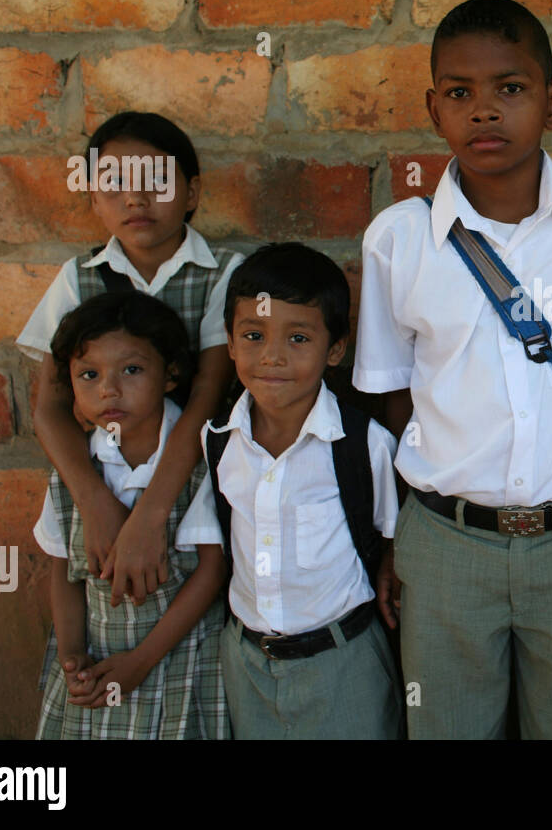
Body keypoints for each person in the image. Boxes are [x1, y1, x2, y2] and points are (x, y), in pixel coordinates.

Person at [354, 0, 552, 739]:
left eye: (510, 90)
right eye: (460, 93)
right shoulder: (400, 240)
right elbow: (392, 399)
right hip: (448, 542)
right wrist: (400, 538)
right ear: (434, 109)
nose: (484, 111)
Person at [18, 112, 244, 609]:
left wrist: (150, 515)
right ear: (94, 198)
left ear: (193, 193)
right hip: (106, 477)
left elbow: (206, 400)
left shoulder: (224, 275)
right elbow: (50, 408)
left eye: (157, 181)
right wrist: (96, 503)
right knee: (106, 608)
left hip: (196, 484)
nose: (136, 198)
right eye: (114, 183)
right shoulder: (78, 278)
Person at [186, 243, 404, 739]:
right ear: (231, 342)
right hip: (248, 666)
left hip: (344, 662)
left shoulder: (362, 444)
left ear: (336, 349)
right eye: (254, 335)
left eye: (298, 337)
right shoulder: (218, 440)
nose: (272, 356)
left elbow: (393, 539)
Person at [34, 292, 228, 739]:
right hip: (98, 664)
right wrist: (73, 656)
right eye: (89, 374)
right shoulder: (74, 469)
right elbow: (64, 573)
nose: (108, 389)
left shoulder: (198, 461)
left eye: (132, 370)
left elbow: (211, 572)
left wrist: (140, 663)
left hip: (181, 660)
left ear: (170, 374)